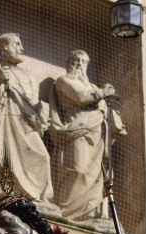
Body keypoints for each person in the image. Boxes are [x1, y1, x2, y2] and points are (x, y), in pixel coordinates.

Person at [49, 50, 125, 220]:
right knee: (78, 169)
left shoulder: (93, 87)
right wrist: (103, 92)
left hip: (97, 134)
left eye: (84, 61)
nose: (80, 64)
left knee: (98, 174)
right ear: (69, 62)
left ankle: (91, 214)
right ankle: (68, 212)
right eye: (76, 60)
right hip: (76, 131)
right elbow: (81, 97)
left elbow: (101, 105)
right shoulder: (64, 81)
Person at [0, 33, 53, 202]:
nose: (22, 48)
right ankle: (7, 192)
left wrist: (41, 109)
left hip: (26, 121)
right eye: (16, 45)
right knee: (6, 156)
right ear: (4, 48)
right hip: (6, 118)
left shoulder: (27, 75)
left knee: (43, 157)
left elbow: (31, 100)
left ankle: (39, 198)